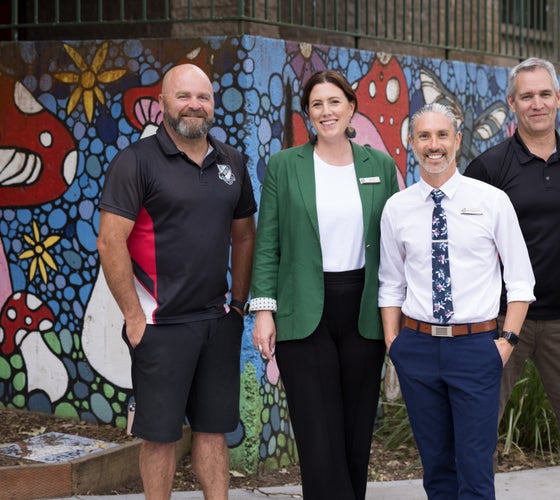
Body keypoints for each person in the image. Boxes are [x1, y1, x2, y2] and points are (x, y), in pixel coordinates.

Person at [96, 63, 257, 499]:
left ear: (213, 104)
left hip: (217, 321)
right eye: (184, 96)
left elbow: (245, 235)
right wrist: (133, 314)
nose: (194, 105)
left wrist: (239, 306)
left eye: (203, 97)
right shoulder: (136, 162)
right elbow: (111, 243)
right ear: (164, 102)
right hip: (158, 326)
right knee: (161, 435)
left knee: (213, 431)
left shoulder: (232, 161)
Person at [249, 70, 399, 500]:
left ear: (351, 107)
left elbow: (394, 243)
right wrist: (264, 310)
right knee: (317, 434)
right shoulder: (284, 166)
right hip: (302, 309)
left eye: (334, 102)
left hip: (363, 309)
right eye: (317, 104)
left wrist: (398, 313)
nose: (326, 111)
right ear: (308, 115)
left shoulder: (380, 165)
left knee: (355, 434)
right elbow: (268, 243)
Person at [464, 57, 560, 499]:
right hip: (502, 320)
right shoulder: (488, 168)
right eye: (526, 96)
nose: (537, 103)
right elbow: (470, 245)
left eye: (545, 94)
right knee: (481, 422)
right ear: (512, 103)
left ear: (559, 99)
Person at [379, 102, 536, 499]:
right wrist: (394, 344)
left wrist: (507, 343)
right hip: (417, 348)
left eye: (442, 135)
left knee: (475, 469)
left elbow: (520, 281)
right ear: (411, 142)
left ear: (458, 140)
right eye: (425, 136)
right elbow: (390, 284)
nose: (434, 145)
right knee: (436, 469)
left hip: (476, 348)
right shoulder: (397, 208)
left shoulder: (492, 201)